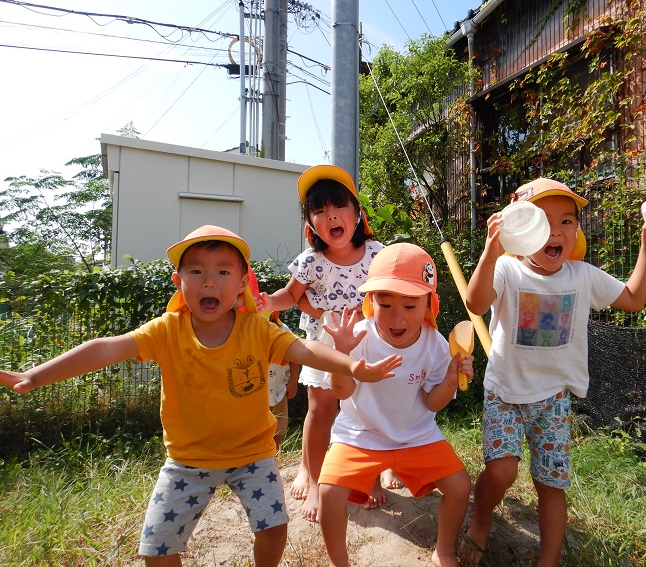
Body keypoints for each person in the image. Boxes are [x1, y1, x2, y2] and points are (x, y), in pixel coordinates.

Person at [0, 225, 401, 567]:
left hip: (253, 455)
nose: (209, 281)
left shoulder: (257, 329)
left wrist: (349, 364)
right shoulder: (166, 330)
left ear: (243, 282)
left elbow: (303, 350)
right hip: (187, 460)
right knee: (156, 551)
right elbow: (106, 347)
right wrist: (34, 375)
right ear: (179, 281)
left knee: (275, 531)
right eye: (196, 271)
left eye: (223, 271)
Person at [463, 178, 646, 567]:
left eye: (567, 221)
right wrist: (491, 251)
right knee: (502, 473)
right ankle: (481, 520)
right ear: (519, 226)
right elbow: (475, 300)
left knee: (551, 483)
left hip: (554, 398)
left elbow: (634, 299)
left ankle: (549, 559)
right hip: (505, 394)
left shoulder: (582, 275)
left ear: (577, 229)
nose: (556, 231)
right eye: (542, 219)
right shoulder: (507, 268)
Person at [317, 242, 474, 567]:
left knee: (459, 486)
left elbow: (432, 403)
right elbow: (342, 393)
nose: (397, 317)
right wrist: (343, 356)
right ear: (370, 302)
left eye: (410, 305)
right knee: (329, 493)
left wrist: (450, 378)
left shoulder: (435, 344)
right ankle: (338, 562)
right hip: (360, 434)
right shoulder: (358, 336)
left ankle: (443, 550)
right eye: (385, 303)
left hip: (416, 435)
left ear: (429, 305)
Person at [262, 164, 401, 522]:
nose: (330, 216)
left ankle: (375, 473)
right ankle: (313, 473)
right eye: (319, 211)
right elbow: (290, 295)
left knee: (371, 409)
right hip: (323, 343)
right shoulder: (311, 261)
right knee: (321, 410)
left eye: (338, 207)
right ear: (310, 224)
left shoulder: (377, 253)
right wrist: (267, 302)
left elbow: (394, 290)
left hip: (369, 338)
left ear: (357, 215)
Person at [266, 312, 300, 450]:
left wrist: (293, 382)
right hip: (255, 392)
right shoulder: (248, 329)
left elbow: (295, 358)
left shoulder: (283, 329)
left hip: (279, 388)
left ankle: (275, 459)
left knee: (278, 429)